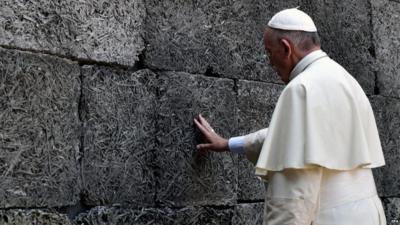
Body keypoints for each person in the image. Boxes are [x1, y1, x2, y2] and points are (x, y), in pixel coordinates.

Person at [194, 8, 387, 225]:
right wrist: (228, 144)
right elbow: (293, 140)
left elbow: (293, 196)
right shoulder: (345, 80)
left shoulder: (301, 88)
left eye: (269, 52)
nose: (269, 62)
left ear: (286, 48)